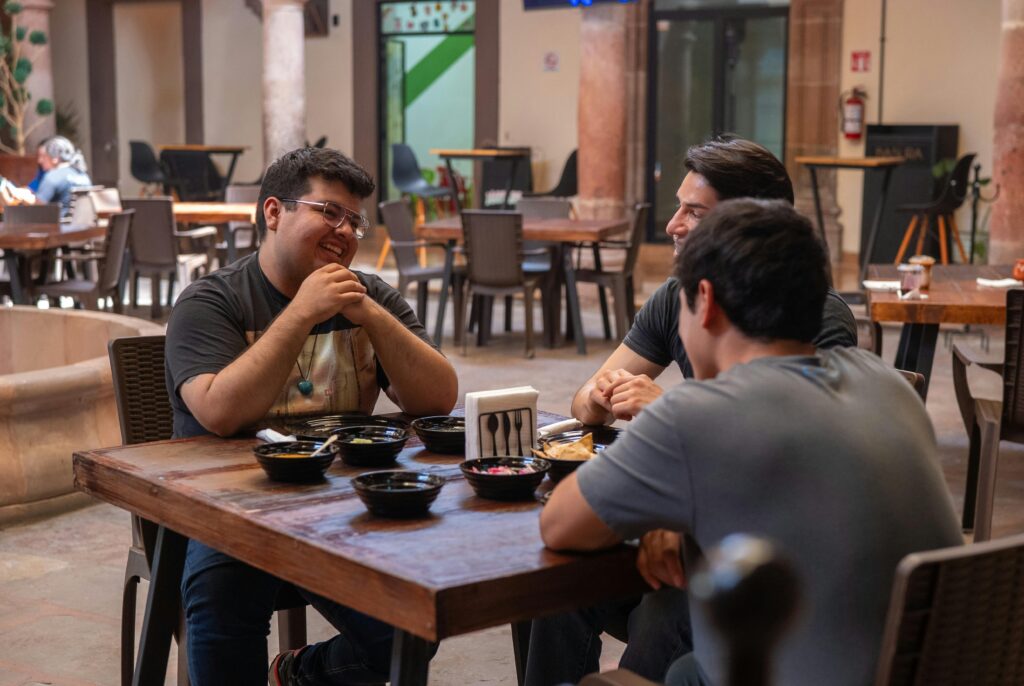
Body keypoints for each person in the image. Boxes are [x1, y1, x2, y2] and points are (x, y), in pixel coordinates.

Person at [538, 199, 962, 686]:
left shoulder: (699, 411)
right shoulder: (890, 386)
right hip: (931, 667)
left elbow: (559, 525)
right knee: (687, 669)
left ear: (706, 300)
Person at [164, 147, 458, 685]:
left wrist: (367, 311)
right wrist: (301, 310)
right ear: (274, 212)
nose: (344, 230)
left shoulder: (368, 296)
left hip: (341, 511)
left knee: (407, 631)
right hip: (233, 513)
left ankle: (302, 672)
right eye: (328, 211)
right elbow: (220, 413)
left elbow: (437, 399)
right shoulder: (211, 302)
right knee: (220, 602)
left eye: (354, 220)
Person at [571, 136, 856, 426]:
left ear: (748, 228)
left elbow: (797, 438)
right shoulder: (675, 297)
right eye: (679, 206)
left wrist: (668, 408)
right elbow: (583, 399)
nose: (672, 225)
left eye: (694, 213)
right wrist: (600, 400)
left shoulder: (819, 314)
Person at [0, 136, 92, 216]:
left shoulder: (53, 176)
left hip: (56, 229)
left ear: (55, 158)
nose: (40, 161)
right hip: (79, 230)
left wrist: (21, 197)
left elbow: (38, 209)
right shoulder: (83, 176)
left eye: (44, 156)